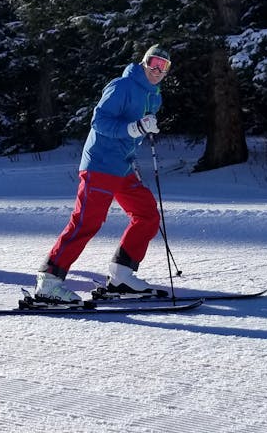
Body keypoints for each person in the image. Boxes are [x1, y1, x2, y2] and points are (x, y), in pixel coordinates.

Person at [33, 45, 171, 305]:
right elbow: (99, 121)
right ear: (144, 62)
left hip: (122, 166)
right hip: (100, 163)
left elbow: (135, 133)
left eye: (164, 66)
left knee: (147, 214)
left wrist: (139, 134)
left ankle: (121, 275)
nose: (157, 70)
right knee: (87, 221)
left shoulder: (155, 96)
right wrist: (133, 127)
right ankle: (48, 282)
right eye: (154, 62)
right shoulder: (122, 86)